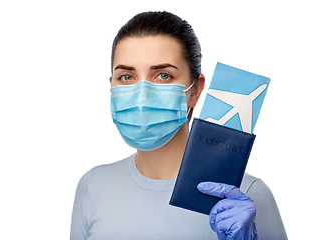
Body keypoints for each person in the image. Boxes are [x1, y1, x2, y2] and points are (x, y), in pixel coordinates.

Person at [70, 11, 287, 240]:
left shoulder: (245, 197)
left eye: (163, 75)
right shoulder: (92, 186)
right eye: (126, 77)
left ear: (195, 90)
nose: (142, 95)